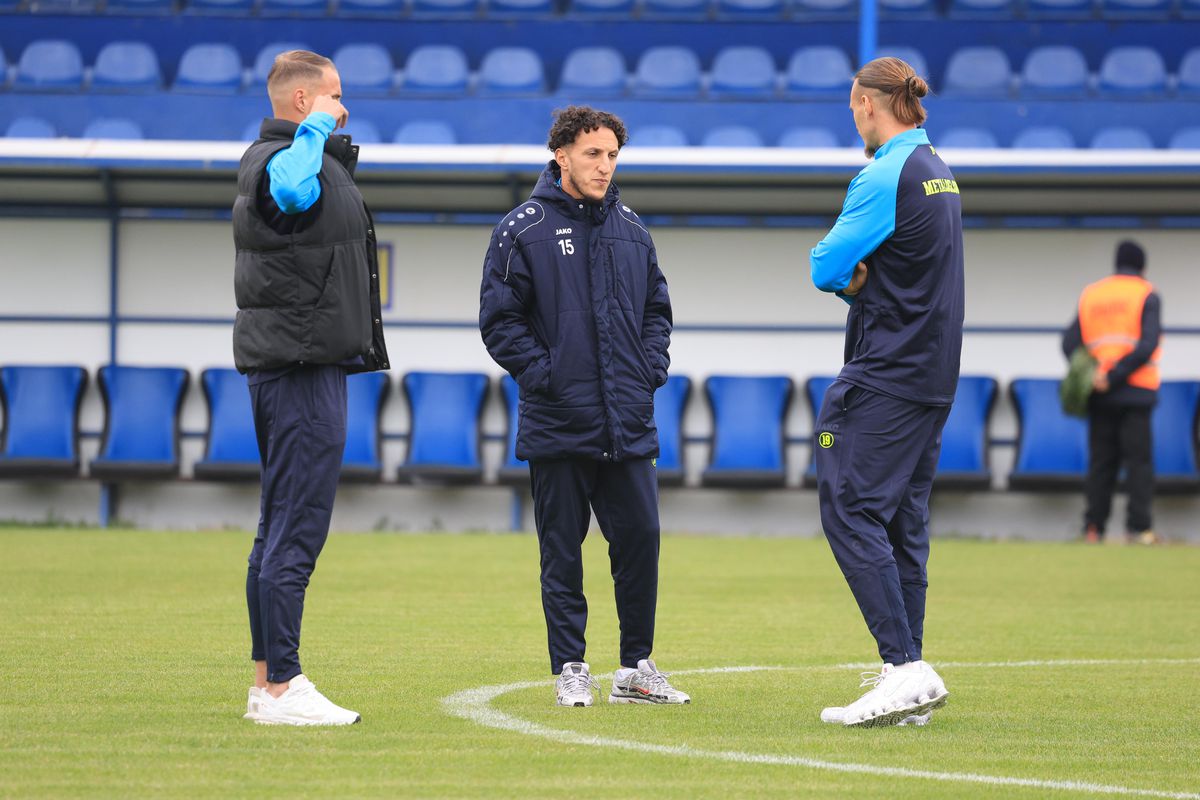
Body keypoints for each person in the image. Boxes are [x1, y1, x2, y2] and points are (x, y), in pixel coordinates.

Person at [479, 106, 689, 707]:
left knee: (641, 540)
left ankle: (636, 668)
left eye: (612, 155)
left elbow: (657, 312)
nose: (604, 166)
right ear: (561, 154)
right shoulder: (520, 230)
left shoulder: (632, 229)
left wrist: (650, 368)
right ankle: (571, 666)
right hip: (558, 419)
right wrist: (546, 376)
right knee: (560, 549)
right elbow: (500, 322)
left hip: (628, 420)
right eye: (593, 154)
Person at [233, 49, 389, 726]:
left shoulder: (291, 151)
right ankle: (281, 687)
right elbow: (296, 190)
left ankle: (267, 682)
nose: (342, 105)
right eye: (333, 96)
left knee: (277, 528)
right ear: (303, 102)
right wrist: (316, 131)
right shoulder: (284, 157)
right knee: (295, 530)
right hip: (298, 365)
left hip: (301, 361)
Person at [808, 57, 963, 728]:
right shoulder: (939, 172)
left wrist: (853, 282)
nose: (853, 119)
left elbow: (823, 266)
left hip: (886, 374)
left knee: (848, 508)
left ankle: (903, 665)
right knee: (903, 524)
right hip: (932, 375)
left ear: (871, 104)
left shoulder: (883, 174)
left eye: (853, 108)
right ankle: (911, 684)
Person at [1061, 240, 1162, 546]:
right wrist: (1117, 376)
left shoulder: (1093, 294)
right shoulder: (1147, 293)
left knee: (1101, 464)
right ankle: (1139, 530)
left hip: (1100, 393)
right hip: (1136, 391)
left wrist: (1096, 375)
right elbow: (1148, 344)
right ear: (1142, 266)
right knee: (1138, 463)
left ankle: (1094, 527)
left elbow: (1069, 343)